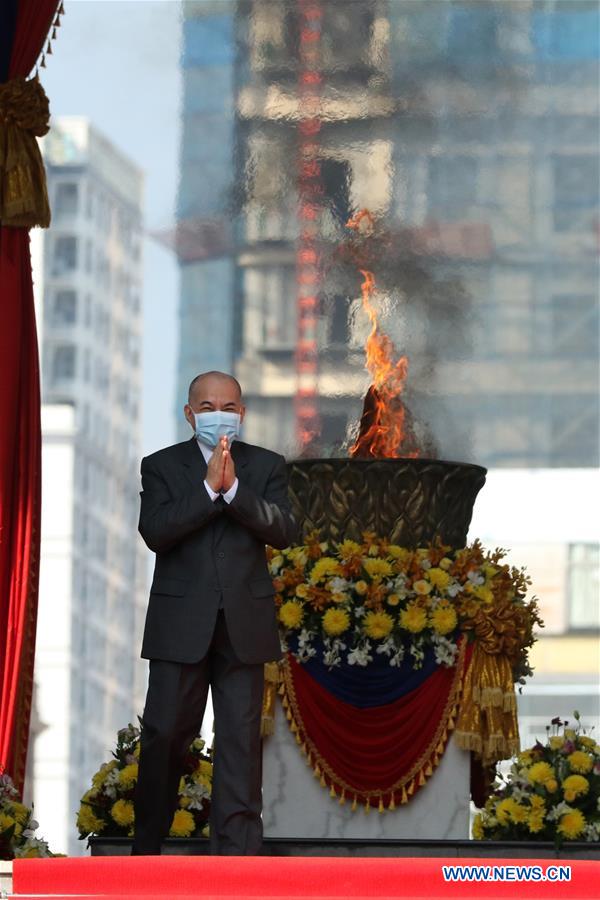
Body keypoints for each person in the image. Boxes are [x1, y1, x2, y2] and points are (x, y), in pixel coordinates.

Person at [132, 371, 296, 856]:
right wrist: (207, 492)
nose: (217, 414)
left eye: (227, 406)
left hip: (243, 624)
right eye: (206, 406)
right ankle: (147, 850)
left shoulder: (266, 466)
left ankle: (238, 856)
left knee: (241, 743)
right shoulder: (160, 466)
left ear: (242, 413)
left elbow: (285, 529)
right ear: (189, 414)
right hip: (179, 624)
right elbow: (156, 531)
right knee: (165, 734)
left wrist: (233, 493)